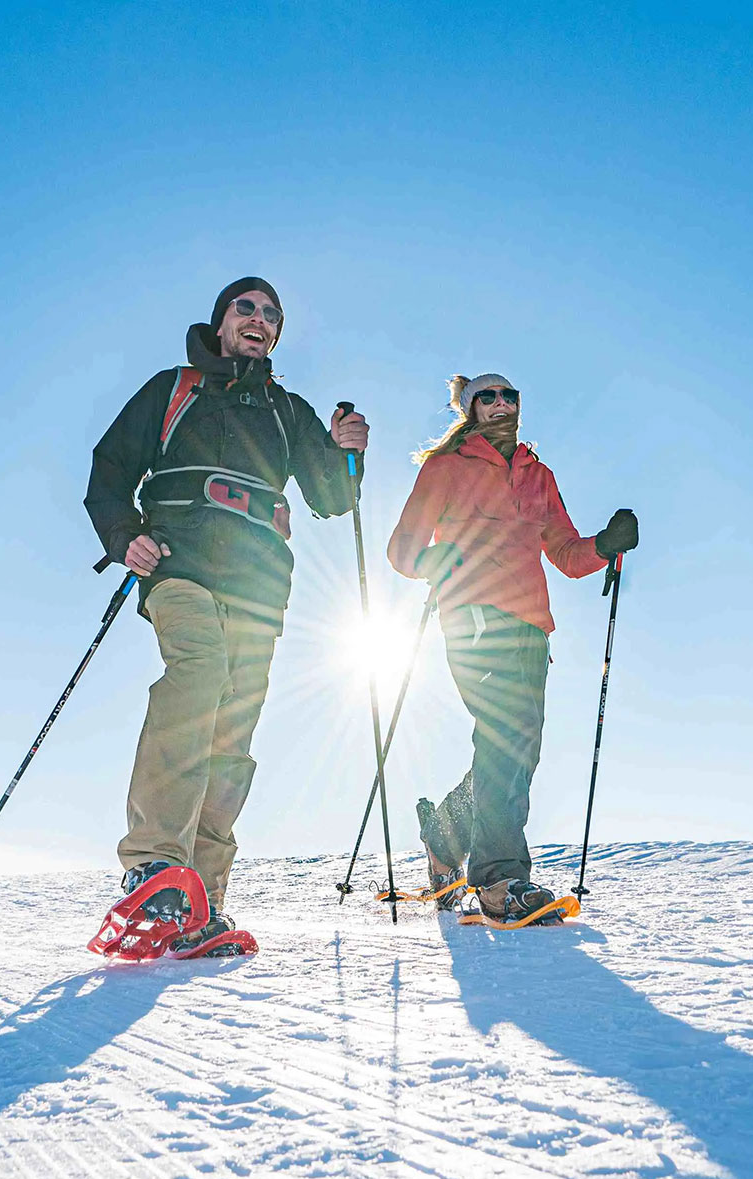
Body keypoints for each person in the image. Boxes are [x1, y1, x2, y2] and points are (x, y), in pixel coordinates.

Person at [85, 277, 369, 954]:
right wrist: (125, 536)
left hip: (259, 584)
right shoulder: (174, 389)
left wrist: (346, 452)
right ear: (221, 323)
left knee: (233, 732)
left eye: (272, 315)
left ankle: (200, 897)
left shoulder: (285, 409)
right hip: (179, 562)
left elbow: (332, 499)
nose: (260, 320)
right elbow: (111, 467)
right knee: (198, 676)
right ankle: (153, 864)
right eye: (247, 308)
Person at [385, 374, 637, 923]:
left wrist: (606, 545)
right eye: (488, 397)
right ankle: (500, 881)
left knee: (516, 751)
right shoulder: (446, 468)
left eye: (510, 396)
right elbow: (402, 549)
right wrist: (431, 562)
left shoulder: (537, 475)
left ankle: (443, 839)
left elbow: (568, 556)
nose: (502, 404)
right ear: (469, 409)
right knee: (506, 740)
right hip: (473, 617)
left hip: (531, 628)